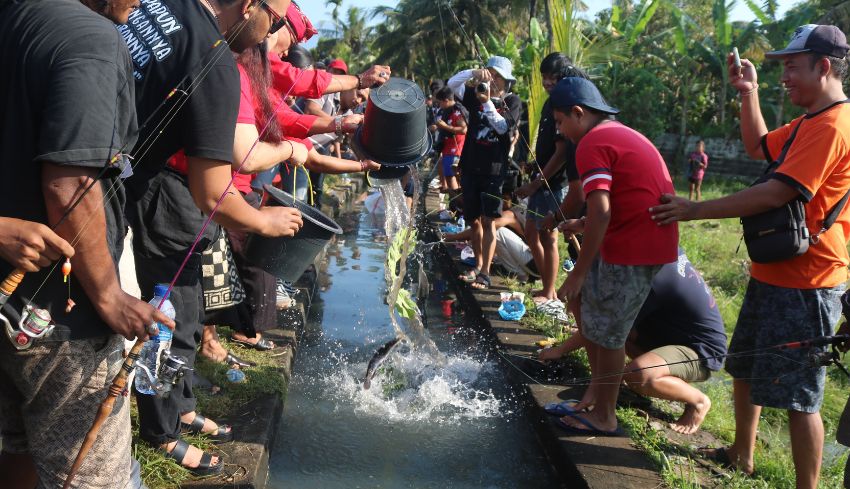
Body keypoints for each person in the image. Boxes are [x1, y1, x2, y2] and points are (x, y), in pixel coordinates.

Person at [649, 25, 850, 488]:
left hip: (809, 283)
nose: (786, 77)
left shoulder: (835, 125)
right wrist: (748, 92)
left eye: (792, 67)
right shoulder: (807, 122)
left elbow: (777, 191)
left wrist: (697, 209)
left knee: (801, 396)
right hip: (774, 270)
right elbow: (759, 147)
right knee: (745, 364)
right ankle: (742, 452)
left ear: (823, 66)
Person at [120, 0, 304, 475]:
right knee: (171, 320)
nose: (270, 35)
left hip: (132, 179)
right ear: (249, 6)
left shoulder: (163, 8)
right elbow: (212, 192)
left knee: (187, 310)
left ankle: (178, 407)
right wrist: (266, 223)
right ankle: (161, 433)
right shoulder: (216, 60)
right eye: (275, 19)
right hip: (156, 194)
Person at [0, 1, 176, 488]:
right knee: (95, 478)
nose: (141, 1)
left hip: (11, 308)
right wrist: (107, 293)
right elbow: (69, 184)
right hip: (59, 322)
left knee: (18, 448)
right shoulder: (92, 39)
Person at [552, 77, 678, 436]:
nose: (561, 131)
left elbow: (603, 211)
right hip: (637, 240)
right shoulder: (616, 134)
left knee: (608, 333)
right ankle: (597, 393)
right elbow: (615, 203)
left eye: (561, 122)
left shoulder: (592, 142)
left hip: (633, 248)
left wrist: (579, 269)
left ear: (579, 113)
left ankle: (604, 415)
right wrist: (583, 222)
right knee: (592, 316)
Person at [540, 250, 726, 435]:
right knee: (613, 343)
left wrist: (562, 349)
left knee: (639, 375)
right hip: (663, 336)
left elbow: (610, 328)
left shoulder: (649, 274)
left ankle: (698, 400)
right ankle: (619, 380)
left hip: (699, 352)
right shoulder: (655, 256)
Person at [515, 53, 589, 314]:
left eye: (552, 77)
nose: (547, 82)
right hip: (541, 177)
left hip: (553, 183)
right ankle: (547, 283)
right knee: (533, 232)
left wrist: (536, 183)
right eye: (544, 77)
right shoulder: (551, 104)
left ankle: (550, 292)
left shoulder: (567, 106)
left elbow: (560, 154)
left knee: (549, 236)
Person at [447, 56, 522, 290]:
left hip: (494, 171)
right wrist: (474, 72)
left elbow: (502, 127)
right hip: (470, 167)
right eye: (490, 74)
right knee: (473, 219)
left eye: (496, 75)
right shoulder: (476, 94)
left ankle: (486, 273)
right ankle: (478, 264)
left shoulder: (512, 101)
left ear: (505, 80)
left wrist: (488, 102)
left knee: (490, 221)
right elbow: (452, 84)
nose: (492, 79)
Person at [432, 86, 467, 193]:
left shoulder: (457, 112)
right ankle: (453, 202)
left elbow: (463, 129)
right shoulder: (448, 111)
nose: (440, 106)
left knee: (451, 177)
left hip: (455, 150)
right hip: (447, 148)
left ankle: (457, 203)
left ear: (446, 100)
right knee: (447, 175)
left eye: (440, 103)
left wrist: (445, 127)